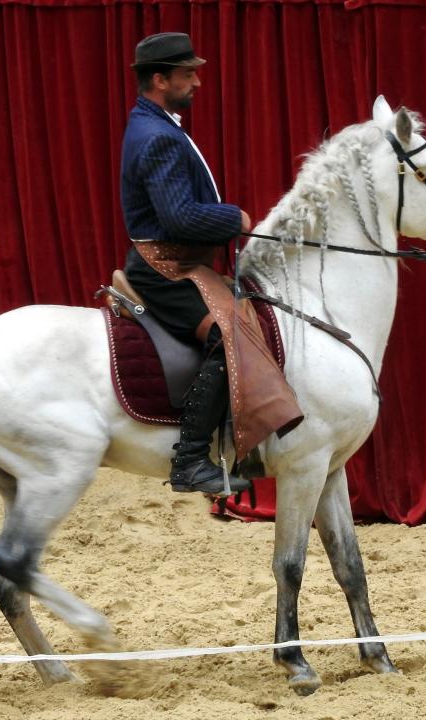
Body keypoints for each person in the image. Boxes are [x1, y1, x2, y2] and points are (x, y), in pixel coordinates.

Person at [120, 32, 301, 495]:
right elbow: (178, 217)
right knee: (230, 335)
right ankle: (190, 459)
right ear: (160, 79)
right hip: (164, 269)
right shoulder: (157, 135)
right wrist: (234, 217)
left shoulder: (161, 123)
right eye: (188, 74)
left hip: (183, 264)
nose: (198, 81)